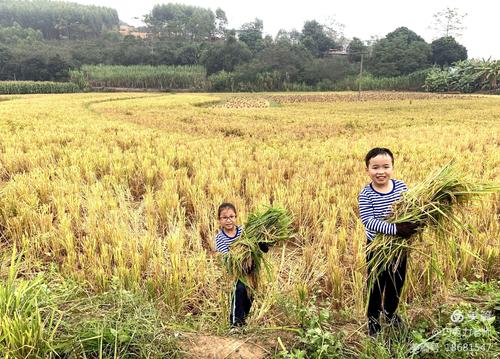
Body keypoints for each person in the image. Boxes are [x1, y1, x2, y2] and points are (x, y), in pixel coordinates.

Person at [358, 148, 419, 336]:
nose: (380, 171)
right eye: (375, 167)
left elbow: (411, 207)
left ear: (392, 167)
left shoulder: (401, 187)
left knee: (396, 282)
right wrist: (396, 230)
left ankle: (390, 313)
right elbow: (369, 221)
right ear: (367, 169)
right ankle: (373, 320)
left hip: (399, 248)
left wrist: (416, 221)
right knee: (376, 284)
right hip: (377, 247)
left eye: (386, 166)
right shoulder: (366, 194)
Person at [215, 202, 268, 327]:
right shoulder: (220, 238)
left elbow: (255, 244)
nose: (229, 220)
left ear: (236, 217)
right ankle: (235, 324)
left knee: (250, 294)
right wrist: (242, 250)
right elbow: (227, 257)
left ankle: (242, 320)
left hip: (251, 269)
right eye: (225, 217)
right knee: (239, 290)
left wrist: (261, 242)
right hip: (236, 272)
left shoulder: (244, 231)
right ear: (219, 220)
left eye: (231, 216)